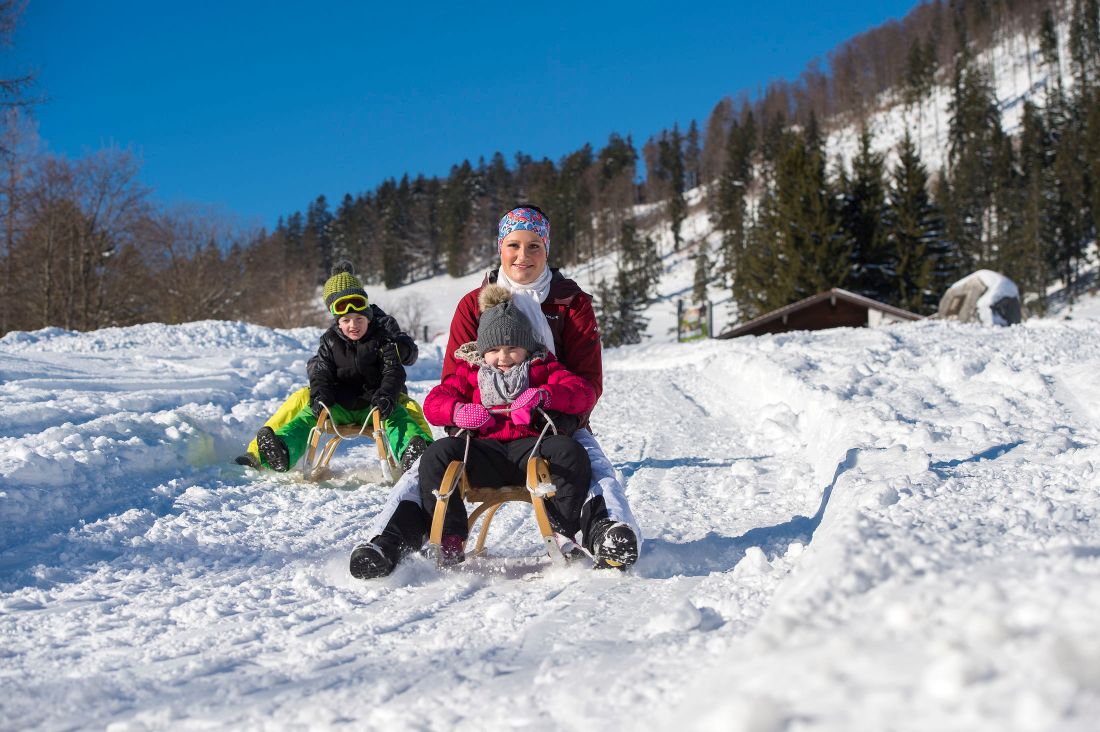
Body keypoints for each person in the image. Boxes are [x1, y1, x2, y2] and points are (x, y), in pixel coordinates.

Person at [350, 205, 640, 577]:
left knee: (590, 466)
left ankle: (602, 533)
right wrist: (459, 415)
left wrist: (550, 406)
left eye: (534, 246)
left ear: (547, 249)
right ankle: (388, 544)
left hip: (552, 426)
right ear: (500, 247)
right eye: (514, 245)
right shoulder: (473, 305)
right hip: (481, 437)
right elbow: (448, 388)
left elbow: (586, 383)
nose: (523, 256)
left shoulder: (569, 305)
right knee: (427, 467)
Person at [352, 285, 597, 575]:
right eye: (493, 350)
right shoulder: (471, 374)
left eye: (512, 349)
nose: (503, 357)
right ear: (482, 351)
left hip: (533, 449)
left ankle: (565, 531)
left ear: (527, 348)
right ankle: (449, 535)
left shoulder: (542, 367)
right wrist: (458, 412)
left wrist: (544, 395)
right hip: (482, 453)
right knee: (437, 453)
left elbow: (582, 392)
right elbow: (434, 402)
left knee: (570, 451)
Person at [234, 265, 432, 471]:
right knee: (303, 400)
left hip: (382, 396)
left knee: (406, 409)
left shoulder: (384, 327)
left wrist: (396, 350)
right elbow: (321, 368)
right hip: (341, 402)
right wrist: (320, 391)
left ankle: (425, 454)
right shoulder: (332, 338)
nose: (351, 319)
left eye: (356, 312)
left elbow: (402, 360)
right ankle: (264, 453)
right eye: (341, 312)